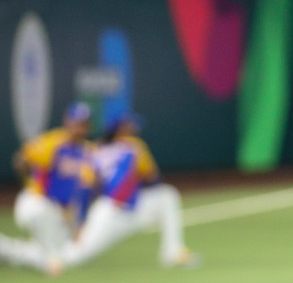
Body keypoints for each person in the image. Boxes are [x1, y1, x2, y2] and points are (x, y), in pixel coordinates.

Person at [62, 113, 197, 269]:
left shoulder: (94, 150)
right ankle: (46, 258)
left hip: (116, 208)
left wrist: (81, 221)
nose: (133, 131)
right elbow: (153, 179)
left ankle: (172, 252)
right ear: (119, 130)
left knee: (166, 196)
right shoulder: (132, 147)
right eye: (129, 128)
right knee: (77, 256)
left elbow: (86, 189)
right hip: (112, 213)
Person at [11, 101, 95, 270]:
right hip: (37, 202)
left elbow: (87, 190)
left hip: (63, 212)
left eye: (84, 124)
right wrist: (29, 183)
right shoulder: (53, 142)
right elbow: (20, 160)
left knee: (66, 252)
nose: (79, 128)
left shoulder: (90, 151)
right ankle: (50, 260)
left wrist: (78, 222)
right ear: (67, 121)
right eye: (76, 122)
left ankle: (9, 251)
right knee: (56, 252)